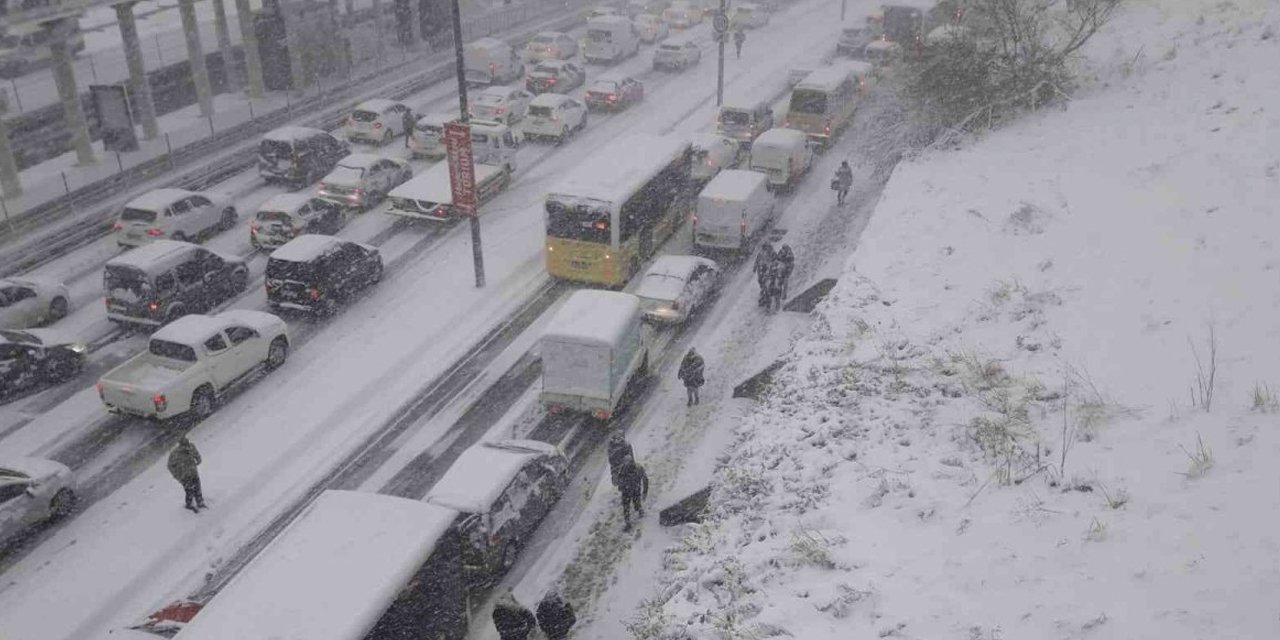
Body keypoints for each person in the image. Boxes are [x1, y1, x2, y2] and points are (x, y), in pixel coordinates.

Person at [167, 436, 205, 513]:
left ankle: (200, 503)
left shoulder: (191, 447)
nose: (187, 447)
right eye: (184, 445)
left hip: (193, 472)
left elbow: (196, 454)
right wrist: (177, 476)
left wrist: (198, 459)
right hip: (185, 476)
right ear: (180, 445)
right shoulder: (175, 453)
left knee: (197, 488)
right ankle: (189, 505)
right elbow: (170, 466)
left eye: (187, 443)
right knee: (189, 491)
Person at [616, 458, 650, 531]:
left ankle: (639, 511)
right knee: (626, 507)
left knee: (635, 504)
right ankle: (628, 522)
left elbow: (645, 480)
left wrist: (645, 492)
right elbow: (619, 480)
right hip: (627, 490)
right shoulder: (623, 469)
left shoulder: (639, 468)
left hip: (634, 489)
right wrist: (622, 487)